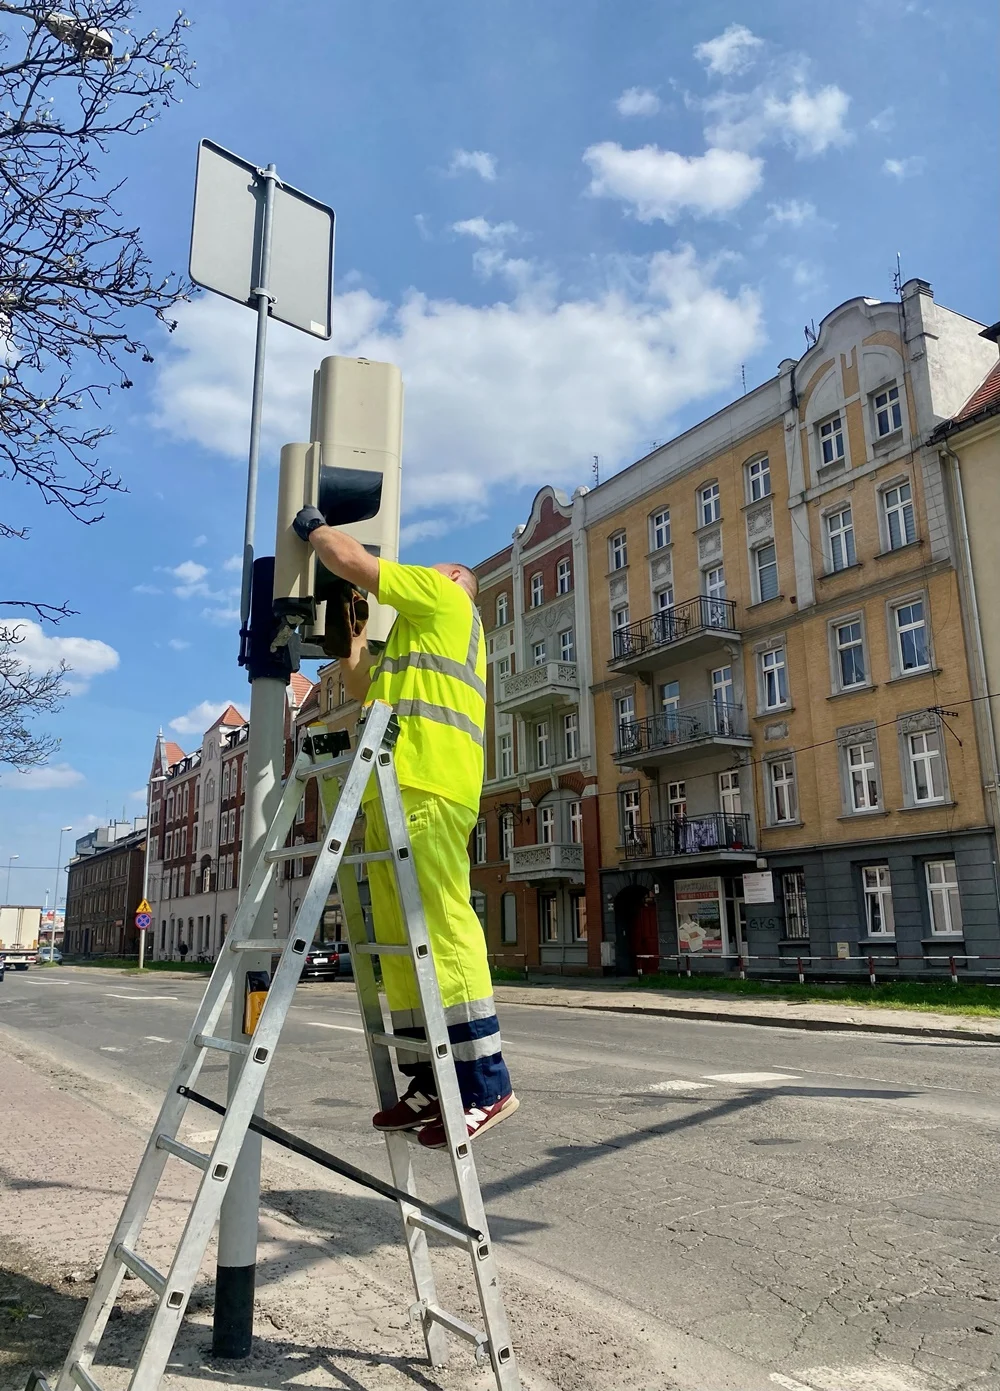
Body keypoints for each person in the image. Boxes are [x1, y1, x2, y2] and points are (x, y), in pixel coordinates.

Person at [293, 506, 518, 1149]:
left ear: (452, 579)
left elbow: (354, 562)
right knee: (399, 937)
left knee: (441, 925)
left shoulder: (446, 602)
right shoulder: (417, 645)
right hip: (396, 792)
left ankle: (485, 1082)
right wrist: (358, 640)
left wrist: (311, 526)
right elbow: (365, 685)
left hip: (428, 786)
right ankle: (427, 1076)